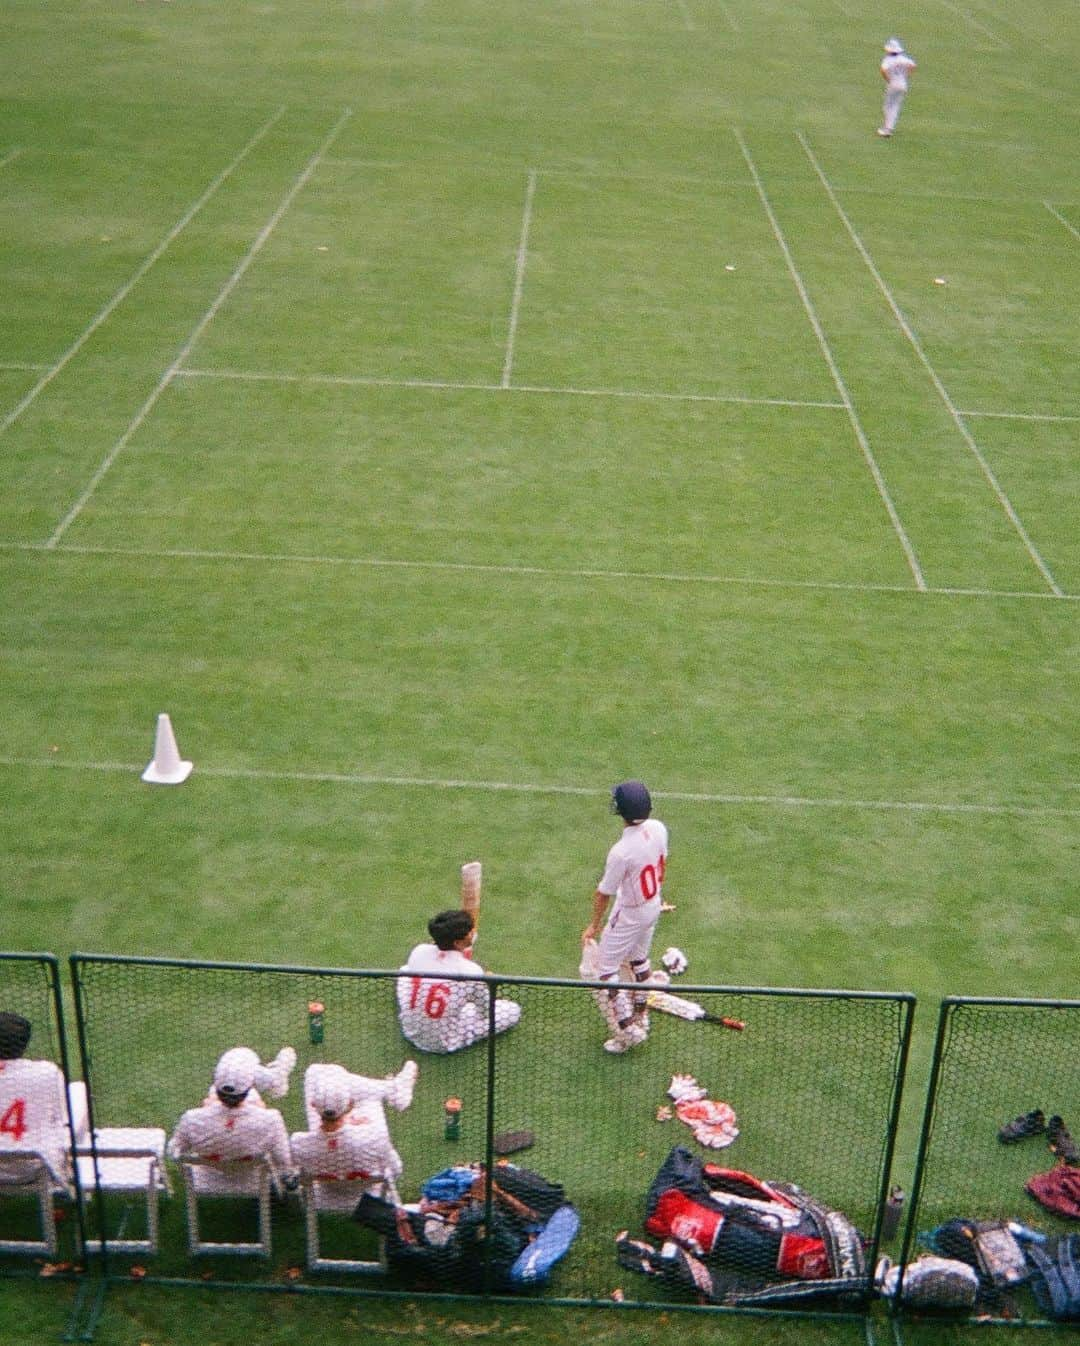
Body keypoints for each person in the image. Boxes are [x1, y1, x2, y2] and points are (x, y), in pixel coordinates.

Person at [581, 780, 669, 1054]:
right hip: (652, 904)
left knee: (605, 972)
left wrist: (593, 925)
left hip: (630, 912)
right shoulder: (658, 829)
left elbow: (603, 893)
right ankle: (641, 1014)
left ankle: (628, 1030)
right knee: (639, 960)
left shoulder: (621, 852)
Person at [167, 1045, 299, 1195]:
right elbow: (283, 1161)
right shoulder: (270, 1119)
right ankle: (277, 1076)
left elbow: (174, 1152)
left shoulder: (192, 1119)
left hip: (206, 1178)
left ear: (217, 1090)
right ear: (248, 1090)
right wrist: (258, 1110)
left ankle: (276, 1076)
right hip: (253, 1179)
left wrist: (207, 1112)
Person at [291, 1058, 418, 1205]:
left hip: (325, 1196)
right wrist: (361, 1128)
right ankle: (393, 1089)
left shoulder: (299, 1143)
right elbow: (396, 1170)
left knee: (315, 1071)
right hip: (370, 1194)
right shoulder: (374, 1136)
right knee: (368, 1098)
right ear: (350, 1105)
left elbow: (295, 1174)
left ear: (313, 1105)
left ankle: (392, 1089)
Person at [397, 909, 521, 1053]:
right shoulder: (472, 971)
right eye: (469, 932)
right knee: (512, 1011)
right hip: (441, 1043)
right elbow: (486, 1011)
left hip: (410, 1029)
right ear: (457, 942)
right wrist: (483, 985)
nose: (472, 933)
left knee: (405, 971)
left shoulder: (419, 951)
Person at [0, 1011, 87, 1190]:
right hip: (37, 1164)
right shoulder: (46, 1071)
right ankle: (70, 1168)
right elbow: (61, 1118)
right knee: (78, 1090)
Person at [878, 38, 917, 138]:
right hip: (903, 83)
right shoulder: (903, 59)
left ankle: (887, 129)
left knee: (888, 106)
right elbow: (913, 65)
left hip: (893, 83)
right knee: (895, 105)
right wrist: (906, 75)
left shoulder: (888, 60)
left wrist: (888, 79)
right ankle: (889, 127)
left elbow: (883, 70)